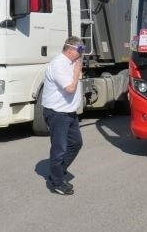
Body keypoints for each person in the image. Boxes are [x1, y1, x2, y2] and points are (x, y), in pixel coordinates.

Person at [42, 36, 85, 195]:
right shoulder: (58, 64)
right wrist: (76, 72)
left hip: (69, 112)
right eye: (80, 50)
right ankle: (57, 183)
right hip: (57, 113)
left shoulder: (70, 62)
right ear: (70, 49)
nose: (82, 54)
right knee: (59, 148)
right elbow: (70, 89)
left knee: (76, 143)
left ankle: (57, 172)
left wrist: (76, 68)